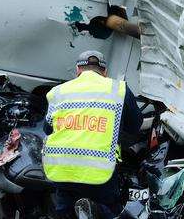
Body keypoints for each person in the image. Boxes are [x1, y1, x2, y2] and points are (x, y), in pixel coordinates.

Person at [42, 50, 143, 218]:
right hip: (99, 174)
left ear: (78, 70)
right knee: (109, 210)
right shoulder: (119, 90)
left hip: (61, 171)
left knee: (65, 211)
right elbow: (134, 126)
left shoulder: (58, 92)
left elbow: (47, 129)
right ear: (104, 72)